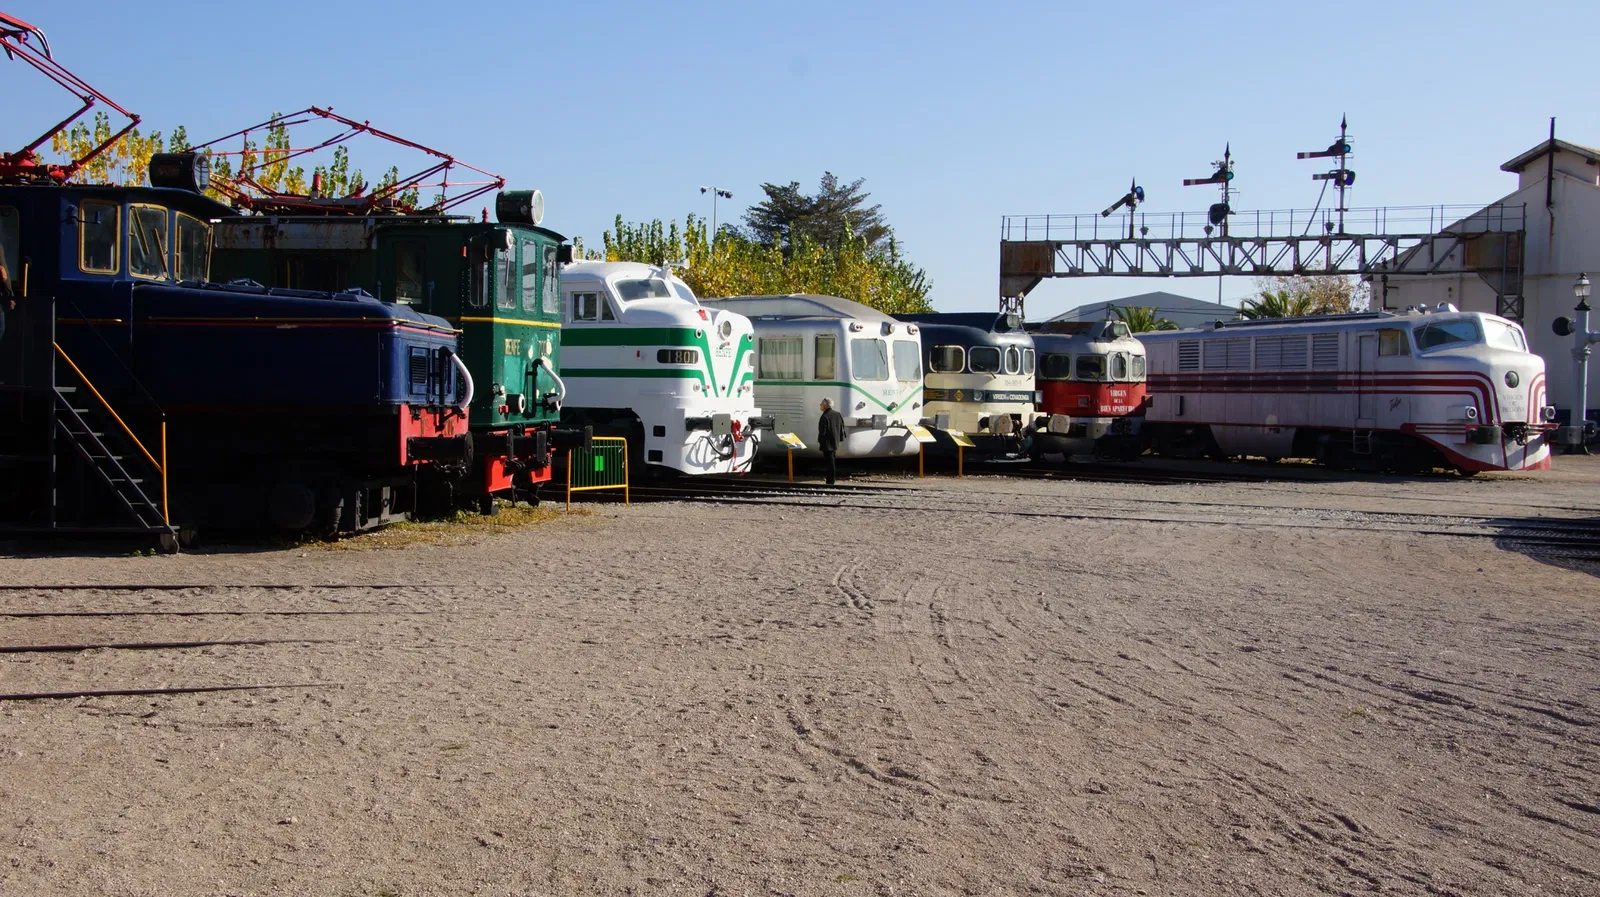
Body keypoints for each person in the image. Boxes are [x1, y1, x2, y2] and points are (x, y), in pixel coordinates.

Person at [817, 397, 845, 485]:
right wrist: (840, 438)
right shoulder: (837, 414)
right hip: (835, 442)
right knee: (832, 461)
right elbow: (841, 427)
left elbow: (822, 432)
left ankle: (830, 480)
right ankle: (831, 479)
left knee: (829, 462)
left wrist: (820, 441)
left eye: (821, 404)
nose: (820, 405)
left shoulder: (824, 416)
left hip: (827, 443)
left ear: (825, 405)